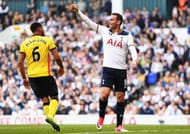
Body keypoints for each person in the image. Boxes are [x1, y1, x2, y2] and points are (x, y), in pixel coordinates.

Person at [69, 3, 138, 132]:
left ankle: (119, 126)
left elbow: (132, 48)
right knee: (104, 95)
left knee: (120, 97)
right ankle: (101, 117)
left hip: (121, 70)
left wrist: (135, 60)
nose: (109, 21)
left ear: (118, 22)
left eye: (112, 19)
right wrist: (78, 12)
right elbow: (88, 22)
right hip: (108, 69)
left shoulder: (127, 35)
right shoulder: (105, 31)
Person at [18, 22, 64, 132]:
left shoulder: (25, 43)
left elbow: (20, 63)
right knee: (54, 97)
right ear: (40, 29)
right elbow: (56, 57)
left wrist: (24, 78)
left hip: (32, 77)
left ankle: (50, 118)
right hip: (45, 74)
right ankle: (51, 116)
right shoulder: (47, 40)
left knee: (44, 99)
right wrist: (61, 67)